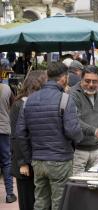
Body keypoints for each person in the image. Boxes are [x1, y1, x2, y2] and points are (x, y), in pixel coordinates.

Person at [16, 62, 83, 210]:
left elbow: (20, 133)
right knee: (59, 203)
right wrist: (78, 140)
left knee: (40, 201)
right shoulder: (65, 99)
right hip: (60, 159)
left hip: (38, 160)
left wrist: (30, 157)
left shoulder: (28, 101)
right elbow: (73, 131)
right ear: (64, 78)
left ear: (47, 76)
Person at [10, 70, 47, 210]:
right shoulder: (19, 104)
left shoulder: (37, 102)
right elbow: (16, 136)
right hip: (25, 162)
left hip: (38, 159)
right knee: (27, 199)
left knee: (38, 199)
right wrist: (22, 163)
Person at [70, 65, 98, 175]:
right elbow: (74, 120)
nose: (91, 85)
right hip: (78, 150)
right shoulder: (73, 94)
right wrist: (95, 131)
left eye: (95, 81)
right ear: (81, 79)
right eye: (87, 81)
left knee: (96, 185)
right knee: (78, 186)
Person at [0, 80, 16, 203]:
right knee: (6, 162)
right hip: (3, 130)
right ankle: (9, 194)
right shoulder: (6, 89)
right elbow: (13, 105)